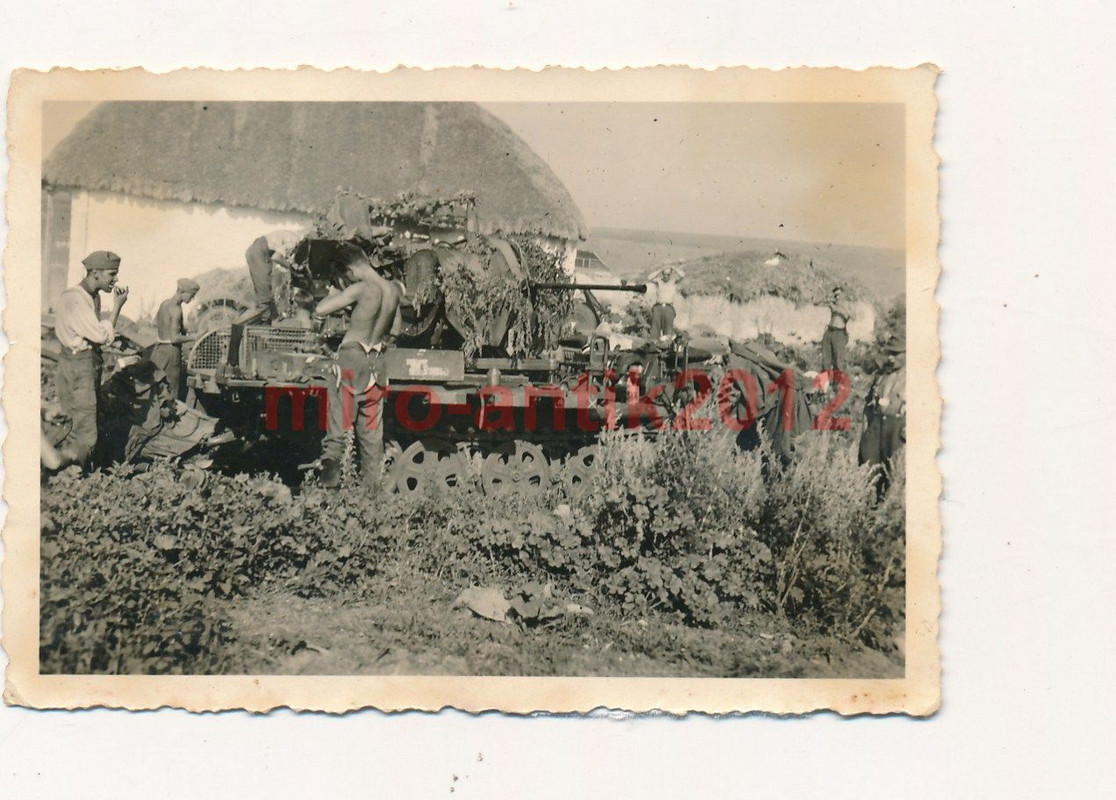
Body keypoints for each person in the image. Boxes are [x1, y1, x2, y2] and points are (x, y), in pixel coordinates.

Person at [314, 246, 403, 489]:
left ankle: (329, 492)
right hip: (377, 363)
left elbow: (320, 310)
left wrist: (333, 294)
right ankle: (371, 494)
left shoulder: (361, 289)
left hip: (352, 360)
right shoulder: (393, 290)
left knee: (340, 428)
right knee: (372, 435)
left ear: (351, 269)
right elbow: (395, 329)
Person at [52, 250, 129, 467]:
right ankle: (77, 474)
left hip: (72, 361)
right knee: (85, 425)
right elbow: (100, 335)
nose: (115, 280)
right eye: (111, 274)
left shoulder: (87, 297)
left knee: (71, 417)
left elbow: (90, 331)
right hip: (80, 366)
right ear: (94, 272)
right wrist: (117, 307)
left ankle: (65, 468)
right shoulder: (78, 300)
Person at [859, 334, 907, 493]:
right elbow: (867, 405)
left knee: (893, 478)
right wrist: (865, 431)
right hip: (876, 426)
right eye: (890, 353)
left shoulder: (914, 378)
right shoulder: (881, 375)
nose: (892, 358)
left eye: (897, 354)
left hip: (897, 431)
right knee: (868, 473)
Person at [150, 278, 200, 401]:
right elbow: (174, 338)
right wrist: (195, 337)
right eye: (191, 295)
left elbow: (155, 322)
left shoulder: (164, 304)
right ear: (182, 291)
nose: (192, 299)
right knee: (172, 392)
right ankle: (171, 419)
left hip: (159, 350)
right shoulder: (177, 309)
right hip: (172, 352)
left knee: (157, 390)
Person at [820, 286, 855, 374]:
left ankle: (837, 385)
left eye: (838, 295)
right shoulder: (833, 304)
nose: (837, 297)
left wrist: (840, 308)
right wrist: (825, 298)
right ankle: (825, 384)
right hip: (829, 331)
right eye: (835, 296)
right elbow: (816, 303)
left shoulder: (848, 304)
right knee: (825, 360)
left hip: (839, 333)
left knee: (838, 361)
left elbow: (853, 316)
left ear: (843, 295)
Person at [647, 264, 685, 341]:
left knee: (668, 331)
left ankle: (667, 346)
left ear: (670, 274)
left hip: (669, 307)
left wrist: (673, 267)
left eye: (668, 274)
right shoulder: (659, 281)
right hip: (658, 307)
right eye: (664, 274)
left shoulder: (674, 281)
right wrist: (661, 269)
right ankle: (653, 346)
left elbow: (682, 275)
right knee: (655, 330)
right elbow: (649, 277)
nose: (666, 276)